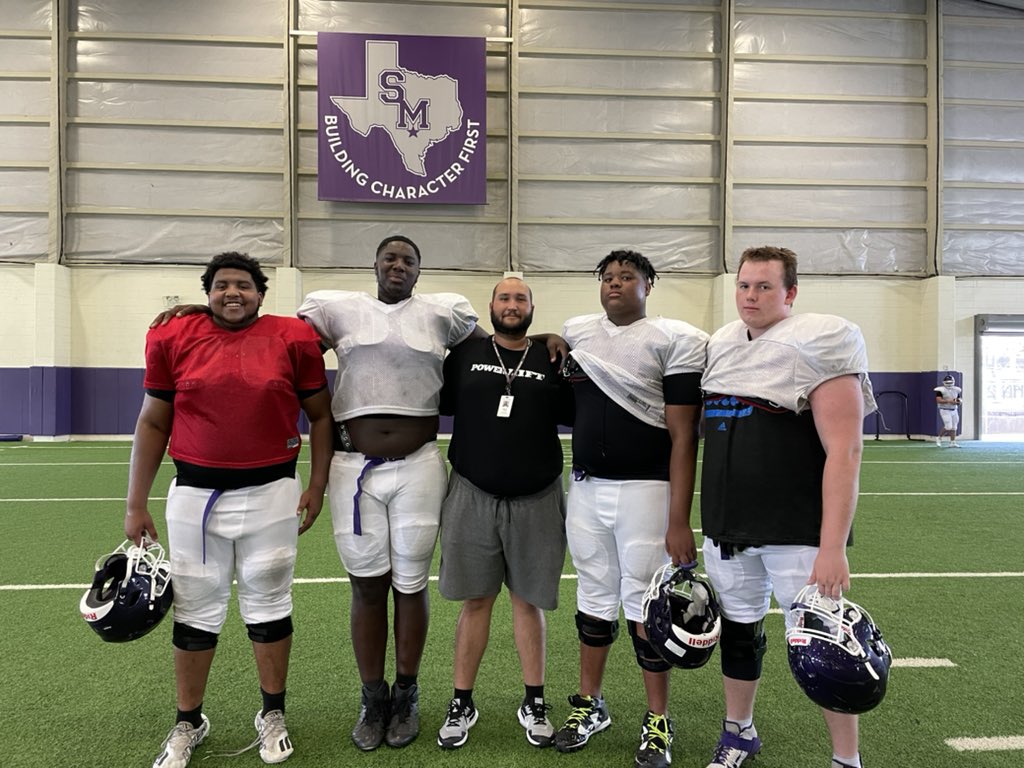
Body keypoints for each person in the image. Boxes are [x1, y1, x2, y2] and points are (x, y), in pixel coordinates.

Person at [127, 251, 333, 768]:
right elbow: (153, 423)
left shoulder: (292, 336)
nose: (232, 293)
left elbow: (321, 417)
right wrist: (135, 503)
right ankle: (188, 720)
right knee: (196, 608)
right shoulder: (175, 336)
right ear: (207, 292)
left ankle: (273, 714)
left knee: (269, 601)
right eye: (221, 286)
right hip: (194, 496)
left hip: (272, 492)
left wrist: (320, 485)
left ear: (262, 294)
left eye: (243, 285)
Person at [698, 245, 876, 768]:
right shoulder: (723, 343)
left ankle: (847, 758)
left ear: (791, 293)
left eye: (764, 286)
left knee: (828, 645)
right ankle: (738, 733)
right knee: (738, 635)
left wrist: (832, 547)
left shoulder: (822, 339)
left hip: (796, 530)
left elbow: (846, 449)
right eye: (744, 285)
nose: (750, 296)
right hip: (729, 524)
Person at [553, 250, 708, 768]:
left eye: (627, 277)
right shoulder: (576, 331)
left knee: (646, 605)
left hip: (647, 489)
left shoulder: (675, 337)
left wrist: (679, 517)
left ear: (648, 285)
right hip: (587, 488)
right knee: (594, 597)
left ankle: (657, 717)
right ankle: (590, 703)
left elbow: (684, 436)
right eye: (608, 277)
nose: (616, 284)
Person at [434, 276, 574, 751]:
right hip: (472, 494)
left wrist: (550, 339)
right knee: (475, 602)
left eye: (520, 298)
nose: (512, 305)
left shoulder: (552, 357)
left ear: (532, 308)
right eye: (504, 298)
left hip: (537, 499)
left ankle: (534, 700)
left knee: (527, 603)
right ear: (490, 306)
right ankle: (461, 701)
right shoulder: (464, 358)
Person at [934, 374, 962, 447]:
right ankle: (939, 438)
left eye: (950, 382)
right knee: (948, 426)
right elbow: (938, 400)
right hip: (945, 409)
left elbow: (958, 398)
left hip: (954, 409)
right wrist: (950, 401)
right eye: (947, 382)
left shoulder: (956, 389)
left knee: (954, 427)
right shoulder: (940, 390)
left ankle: (952, 442)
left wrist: (959, 401)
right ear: (944, 382)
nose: (949, 384)